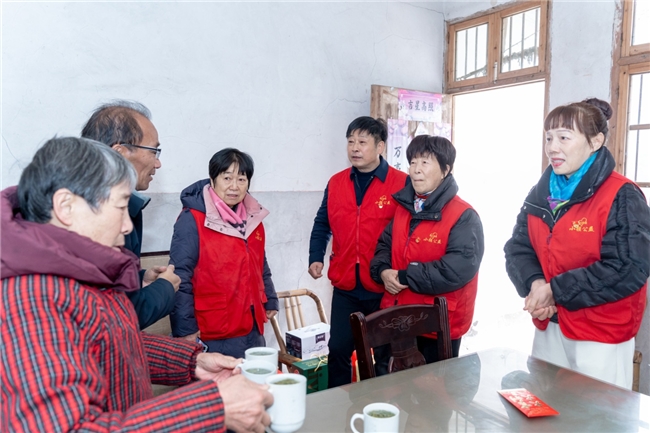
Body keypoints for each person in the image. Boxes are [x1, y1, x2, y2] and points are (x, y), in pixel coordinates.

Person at [1, 137, 273, 432]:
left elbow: (113, 342)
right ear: (66, 206)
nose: (127, 226)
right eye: (120, 207)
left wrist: (190, 361)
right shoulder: (32, 300)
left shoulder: (77, 273)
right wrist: (211, 407)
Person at [504, 98, 650, 389]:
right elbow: (517, 248)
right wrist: (536, 285)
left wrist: (554, 291)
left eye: (564, 138)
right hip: (549, 326)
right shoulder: (540, 193)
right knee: (546, 404)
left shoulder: (622, 194)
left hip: (600, 334)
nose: (552, 147)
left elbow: (627, 268)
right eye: (549, 138)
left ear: (595, 142)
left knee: (596, 411)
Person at [309, 116, 408, 387]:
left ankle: (380, 407)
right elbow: (322, 222)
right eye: (351, 141)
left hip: (384, 287)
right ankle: (339, 405)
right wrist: (315, 256)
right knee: (338, 350)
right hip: (346, 286)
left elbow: (409, 233)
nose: (355, 147)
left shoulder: (401, 183)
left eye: (362, 142)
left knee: (384, 357)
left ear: (380, 147)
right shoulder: (336, 182)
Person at [370, 135, 484, 362]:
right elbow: (384, 246)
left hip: (437, 325)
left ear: (445, 170)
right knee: (389, 380)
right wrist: (382, 271)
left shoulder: (464, 216)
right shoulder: (404, 208)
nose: (416, 170)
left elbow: (456, 269)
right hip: (397, 318)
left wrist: (405, 276)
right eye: (413, 162)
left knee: (434, 384)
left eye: (425, 162)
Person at [170, 148, 279, 358]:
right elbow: (179, 275)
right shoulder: (192, 219)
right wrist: (185, 329)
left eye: (241, 179)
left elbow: (259, 263)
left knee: (254, 378)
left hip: (253, 325)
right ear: (212, 179)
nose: (234, 186)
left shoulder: (253, 218)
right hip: (214, 329)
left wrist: (270, 298)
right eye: (227, 178)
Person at [81, 100, 180, 330]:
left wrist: (139, 278)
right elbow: (117, 316)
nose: (158, 163)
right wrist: (165, 288)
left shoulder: (121, 203)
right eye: (153, 151)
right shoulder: (95, 214)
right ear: (119, 154)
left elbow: (108, 285)